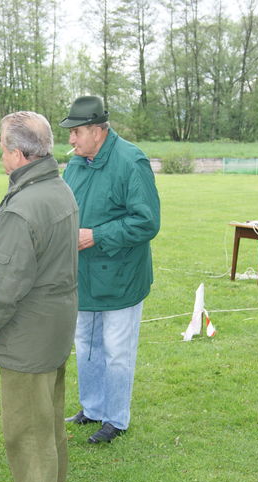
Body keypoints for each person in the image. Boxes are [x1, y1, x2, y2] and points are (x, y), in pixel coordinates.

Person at [0, 111, 78, 482]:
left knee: (26, 422)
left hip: (29, 329)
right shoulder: (58, 187)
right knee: (48, 413)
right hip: (55, 323)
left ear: (18, 154)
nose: (0, 154)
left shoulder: (25, 207)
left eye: (3, 147)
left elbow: (5, 286)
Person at [59, 95, 160, 444]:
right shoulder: (76, 164)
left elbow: (147, 222)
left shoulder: (131, 161)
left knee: (117, 351)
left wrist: (97, 235)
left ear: (97, 130)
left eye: (76, 132)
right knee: (86, 343)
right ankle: (92, 408)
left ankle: (116, 419)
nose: (71, 139)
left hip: (121, 278)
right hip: (83, 276)